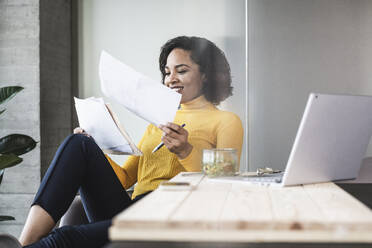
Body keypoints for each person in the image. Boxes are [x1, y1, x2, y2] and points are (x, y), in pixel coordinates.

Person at [19, 36, 243, 248]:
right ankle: (25, 241)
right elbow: (126, 178)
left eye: (181, 71)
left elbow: (223, 185)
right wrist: (96, 151)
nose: (171, 79)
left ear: (207, 75)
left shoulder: (225, 121)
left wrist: (185, 151)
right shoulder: (159, 120)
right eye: (166, 72)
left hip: (170, 214)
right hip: (132, 209)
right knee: (80, 143)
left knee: (64, 238)